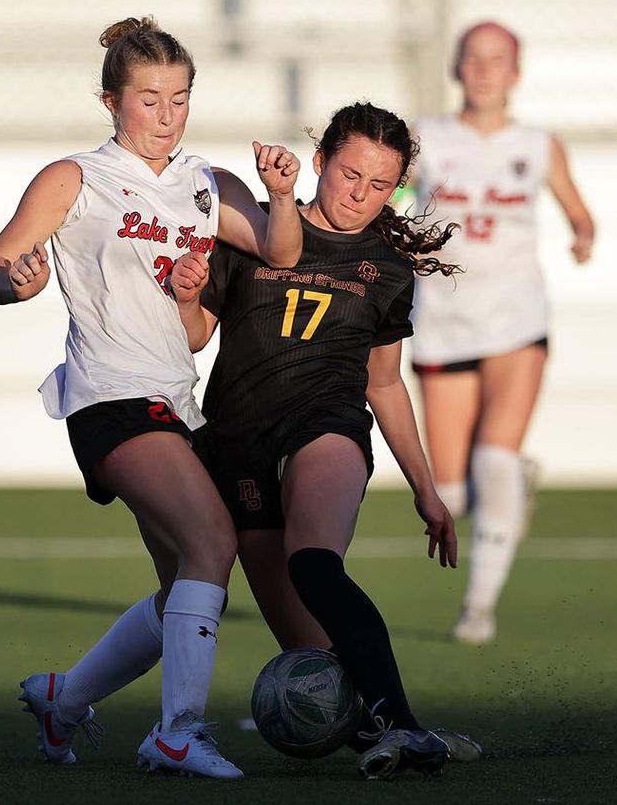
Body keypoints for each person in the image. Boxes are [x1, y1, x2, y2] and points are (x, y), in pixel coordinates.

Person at [0, 17, 302, 779]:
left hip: (175, 404)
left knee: (183, 582)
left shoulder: (204, 182)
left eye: (180, 98)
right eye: (149, 99)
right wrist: (12, 284)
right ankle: (179, 731)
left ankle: (65, 698)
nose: (166, 115)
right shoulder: (74, 178)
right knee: (213, 543)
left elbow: (279, 249)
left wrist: (282, 194)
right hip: (108, 399)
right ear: (111, 101)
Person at [173, 101, 481, 780]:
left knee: (314, 564)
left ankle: (405, 729)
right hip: (238, 440)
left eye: (381, 185)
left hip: (327, 426)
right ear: (319, 163)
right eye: (350, 176)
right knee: (318, 666)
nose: (361, 196)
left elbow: (385, 385)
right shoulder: (254, 228)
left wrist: (427, 490)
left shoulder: (388, 266)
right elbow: (196, 337)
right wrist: (187, 298)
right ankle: (385, 729)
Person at [410, 21, 596, 644]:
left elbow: (576, 208)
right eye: (474, 59)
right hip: (440, 321)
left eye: (499, 60)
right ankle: (512, 483)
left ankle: (478, 609)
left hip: (517, 320)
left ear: (517, 73)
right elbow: (395, 199)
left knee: (494, 456)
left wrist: (583, 234)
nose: (485, 70)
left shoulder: (539, 145)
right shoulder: (425, 140)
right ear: (456, 68)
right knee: (454, 493)